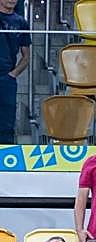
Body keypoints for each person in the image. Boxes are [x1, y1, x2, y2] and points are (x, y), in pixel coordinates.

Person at [0, 0, 29, 144]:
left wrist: (13, 75)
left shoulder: (21, 23)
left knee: (7, 122)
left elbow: (26, 57)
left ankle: (5, 159)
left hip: (7, 77)